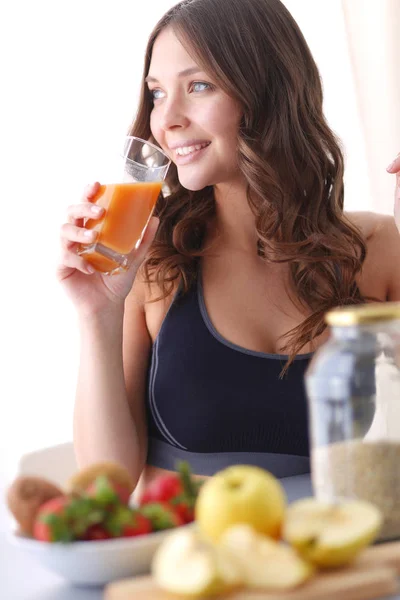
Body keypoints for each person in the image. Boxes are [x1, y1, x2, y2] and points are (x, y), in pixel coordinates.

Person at [57, 0, 400, 495]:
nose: (166, 119)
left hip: (326, 559)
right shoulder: (146, 260)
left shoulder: (377, 248)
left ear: (267, 91)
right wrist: (97, 314)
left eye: (198, 86)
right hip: (188, 563)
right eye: (156, 93)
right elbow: (103, 487)